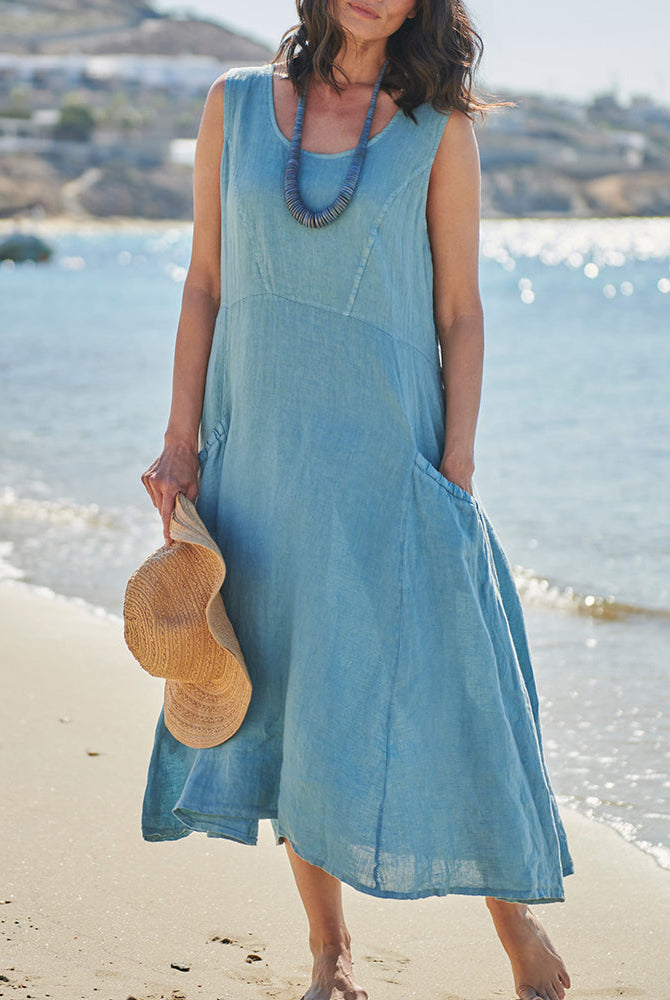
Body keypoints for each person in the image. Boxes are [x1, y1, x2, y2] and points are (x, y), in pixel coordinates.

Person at [140, 2, 575, 999]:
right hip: (261, 457)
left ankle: (516, 932)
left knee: (448, 679)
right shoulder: (236, 107)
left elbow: (460, 311)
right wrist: (178, 438)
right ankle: (328, 953)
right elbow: (205, 280)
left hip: (392, 453)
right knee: (294, 694)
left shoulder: (437, 126)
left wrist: (455, 461)